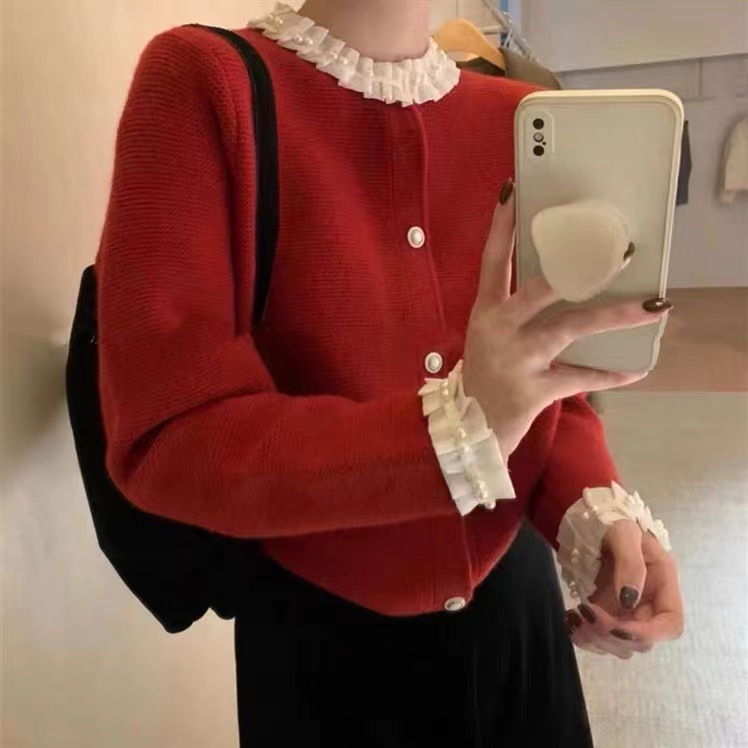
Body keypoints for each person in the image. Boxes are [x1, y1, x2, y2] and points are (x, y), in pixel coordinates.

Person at [95, 1, 685, 745]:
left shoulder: (519, 116)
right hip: (323, 654)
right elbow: (169, 434)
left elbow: (544, 389)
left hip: (519, 624)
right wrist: (451, 433)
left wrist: (594, 515)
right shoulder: (205, 83)